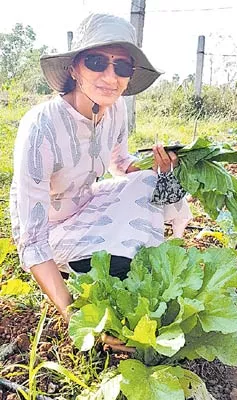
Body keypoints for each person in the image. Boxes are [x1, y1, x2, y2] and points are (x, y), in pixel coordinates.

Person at [9, 13, 192, 324]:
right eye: (97, 62)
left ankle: (127, 267)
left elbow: (120, 164)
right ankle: (85, 275)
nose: (111, 76)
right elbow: (32, 236)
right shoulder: (41, 127)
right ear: (74, 68)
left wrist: (160, 168)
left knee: (152, 182)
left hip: (87, 202)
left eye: (121, 67)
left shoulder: (115, 109)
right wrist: (74, 315)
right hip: (52, 229)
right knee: (116, 263)